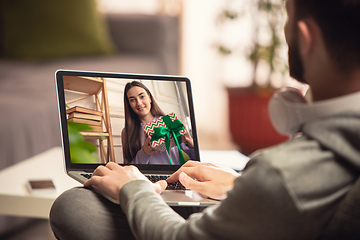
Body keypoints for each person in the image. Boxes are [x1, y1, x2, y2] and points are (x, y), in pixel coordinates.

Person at [50, 0, 360, 239]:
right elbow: (135, 155)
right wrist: (241, 185)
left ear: (306, 38)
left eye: (288, 16)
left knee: (73, 207)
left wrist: (135, 188)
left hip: (155, 190)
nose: (139, 103)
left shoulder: (283, 175)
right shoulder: (130, 130)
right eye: (132, 100)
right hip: (181, 183)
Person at [121, 81, 195, 165]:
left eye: (142, 96)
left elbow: (195, 159)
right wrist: (144, 153)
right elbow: (127, 168)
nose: (139, 103)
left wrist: (192, 145)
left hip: (175, 175)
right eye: (132, 100)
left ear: (149, 98)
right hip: (145, 177)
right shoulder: (126, 132)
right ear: (129, 104)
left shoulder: (169, 121)